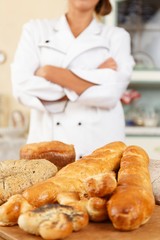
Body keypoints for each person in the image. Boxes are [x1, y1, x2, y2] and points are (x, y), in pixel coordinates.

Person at [11, 0, 135, 159]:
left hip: (99, 146)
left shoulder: (117, 36)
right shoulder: (36, 30)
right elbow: (22, 86)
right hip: (47, 146)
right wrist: (96, 75)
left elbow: (111, 93)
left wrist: (51, 72)